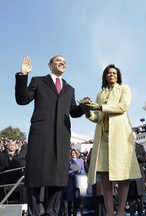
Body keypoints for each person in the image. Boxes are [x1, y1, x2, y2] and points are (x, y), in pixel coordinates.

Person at [15, 56, 84, 216]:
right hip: (41, 134)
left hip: (62, 136)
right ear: (50, 65)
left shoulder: (69, 89)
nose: (63, 63)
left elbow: (73, 112)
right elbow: (22, 99)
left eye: (65, 62)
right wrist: (23, 75)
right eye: (59, 60)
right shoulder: (38, 81)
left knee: (58, 176)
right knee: (36, 174)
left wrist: (82, 107)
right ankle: (34, 212)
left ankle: (52, 212)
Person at [81, 64, 141, 216]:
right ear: (105, 76)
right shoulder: (100, 95)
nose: (112, 75)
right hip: (103, 137)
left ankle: (120, 210)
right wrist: (87, 111)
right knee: (105, 174)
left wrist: (101, 107)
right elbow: (97, 117)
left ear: (118, 76)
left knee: (122, 173)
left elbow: (123, 106)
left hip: (120, 136)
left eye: (114, 73)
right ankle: (109, 212)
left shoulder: (124, 89)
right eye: (109, 73)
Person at [127, 135, 146, 216]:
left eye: (133, 136)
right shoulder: (126, 147)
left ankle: (141, 213)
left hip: (139, 176)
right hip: (130, 176)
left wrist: (139, 157)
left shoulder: (140, 147)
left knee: (140, 198)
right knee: (132, 198)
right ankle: (132, 213)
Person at [66, 149, 86, 215]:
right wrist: (73, 172)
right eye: (72, 153)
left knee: (76, 197)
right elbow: (66, 171)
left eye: (74, 153)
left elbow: (83, 169)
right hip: (70, 181)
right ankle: (69, 212)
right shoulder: (69, 161)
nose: (73, 154)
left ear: (77, 153)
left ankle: (74, 211)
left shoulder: (80, 161)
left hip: (78, 181)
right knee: (70, 197)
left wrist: (80, 172)